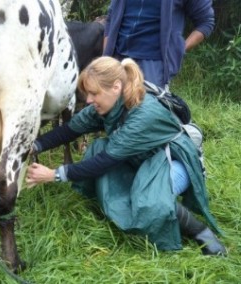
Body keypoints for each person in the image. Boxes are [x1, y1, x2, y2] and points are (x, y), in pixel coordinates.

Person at [26, 56, 226, 255]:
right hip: (141, 159)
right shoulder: (108, 105)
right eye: (87, 94)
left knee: (149, 203)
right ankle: (132, 195)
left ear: (115, 87)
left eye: (93, 93)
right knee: (99, 147)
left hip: (170, 161)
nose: (88, 100)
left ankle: (202, 233)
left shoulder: (143, 113)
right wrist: (34, 146)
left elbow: (105, 162)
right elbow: (69, 130)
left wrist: (54, 174)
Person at [103, 0, 215, 88]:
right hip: (116, 58)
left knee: (145, 113)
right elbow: (111, 17)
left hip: (153, 64)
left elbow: (205, 22)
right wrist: (106, 56)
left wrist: (179, 49)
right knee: (110, 112)